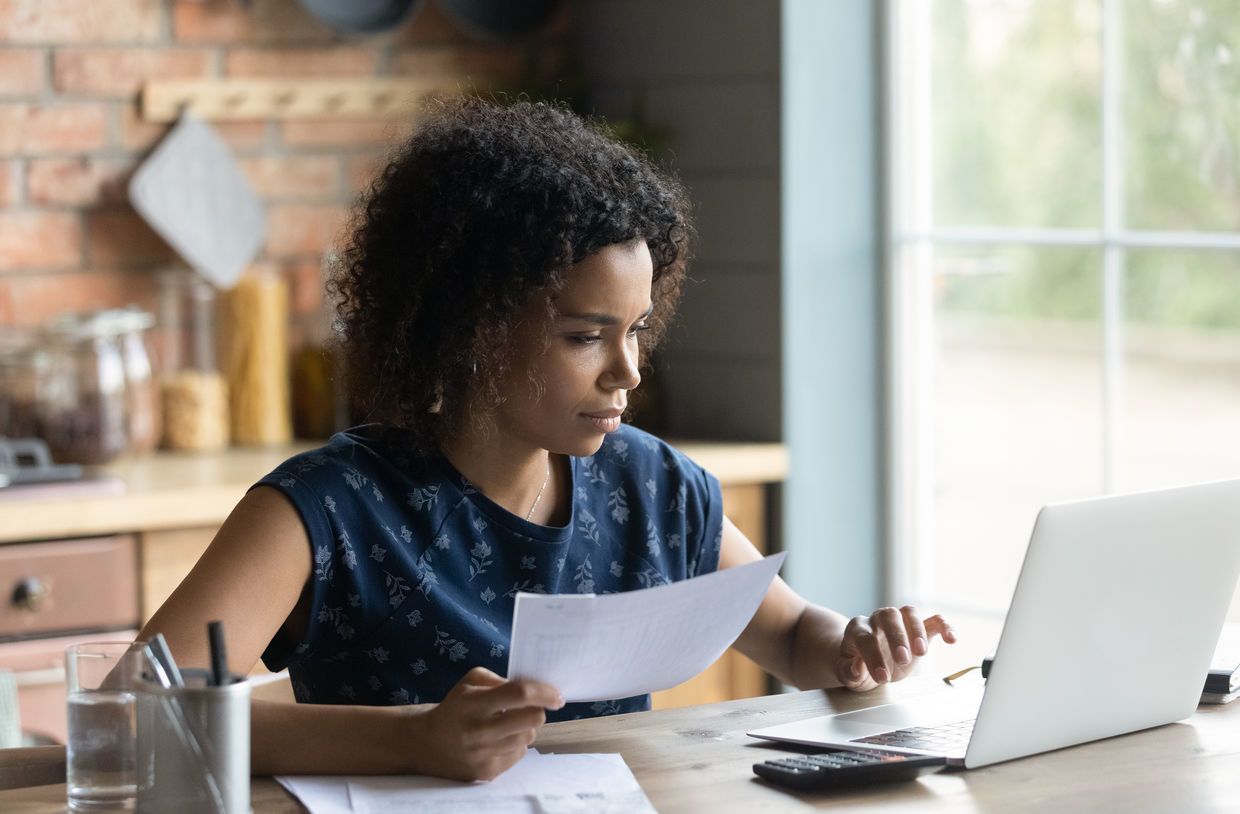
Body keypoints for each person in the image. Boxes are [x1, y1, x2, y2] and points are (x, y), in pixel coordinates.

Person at [138, 96, 955, 782]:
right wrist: (413, 740)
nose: (626, 372)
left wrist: (854, 648)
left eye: (636, 331)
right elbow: (146, 712)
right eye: (584, 336)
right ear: (471, 328)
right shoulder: (327, 508)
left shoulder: (653, 488)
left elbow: (788, 633)